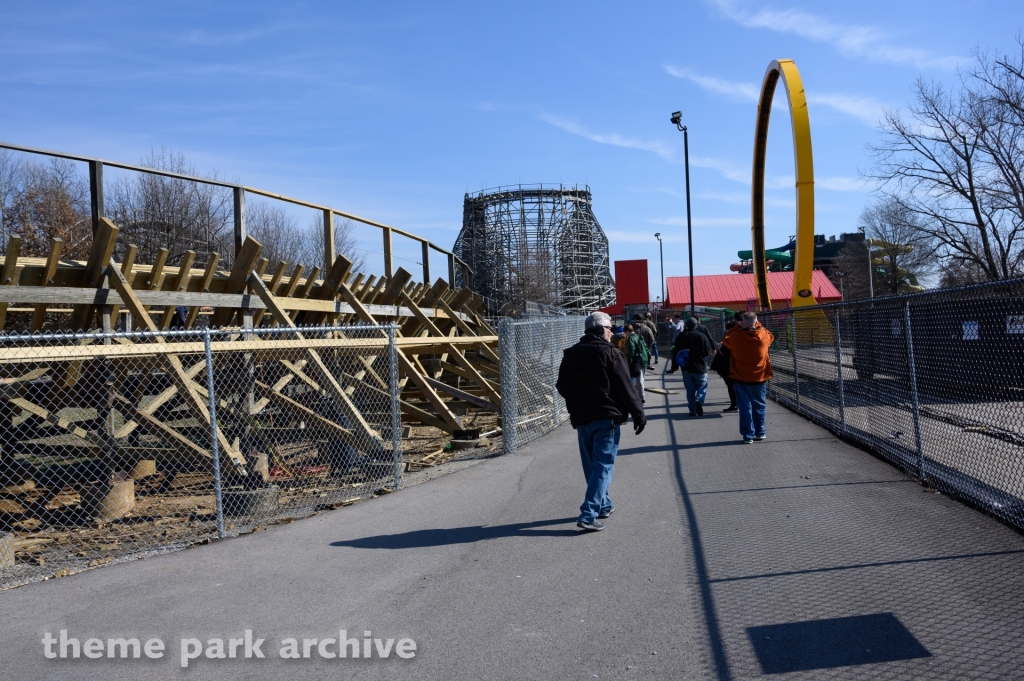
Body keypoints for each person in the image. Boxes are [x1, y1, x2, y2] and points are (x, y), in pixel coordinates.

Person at [556, 312, 646, 532]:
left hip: (582, 418)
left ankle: (603, 504)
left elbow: (562, 386)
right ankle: (588, 514)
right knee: (603, 466)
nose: (611, 331)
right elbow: (626, 386)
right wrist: (638, 414)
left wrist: (578, 400)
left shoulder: (571, 355)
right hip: (606, 417)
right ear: (600, 330)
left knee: (593, 467)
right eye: (609, 328)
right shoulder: (611, 353)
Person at [721, 311, 774, 444]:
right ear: (756, 322)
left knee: (745, 408)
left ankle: (747, 435)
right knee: (759, 406)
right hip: (759, 377)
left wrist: (737, 326)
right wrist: (756, 325)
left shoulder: (735, 337)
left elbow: (725, 339)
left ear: (742, 322)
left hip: (741, 377)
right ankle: (760, 432)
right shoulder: (763, 337)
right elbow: (771, 336)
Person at [675, 317, 713, 416]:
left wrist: (674, 366)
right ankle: (699, 400)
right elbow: (706, 352)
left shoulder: (681, 336)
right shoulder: (702, 336)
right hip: (700, 366)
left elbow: (675, 351)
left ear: (686, 325)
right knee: (702, 386)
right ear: (696, 325)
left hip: (686, 367)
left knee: (690, 389)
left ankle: (692, 410)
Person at [711, 320, 739, 412]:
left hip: (728, 367)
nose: (726, 332)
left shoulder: (730, 339)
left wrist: (721, 348)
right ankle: (736, 404)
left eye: (727, 330)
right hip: (735, 366)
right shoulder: (738, 338)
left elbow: (725, 353)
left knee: (731, 386)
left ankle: (735, 405)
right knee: (736, 386)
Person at [623, 324, 650, 403]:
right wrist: (649, 357)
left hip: (638, 361)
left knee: (639, 380)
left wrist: (630, 361)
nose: (625, 334)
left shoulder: (630, 338)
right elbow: (646, 347)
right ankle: (640, 396)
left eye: (625, 332)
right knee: (641, 379)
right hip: (644, 359)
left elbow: (631, 351)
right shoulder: (639, 336)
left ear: (628, 331)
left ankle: (641, 398)